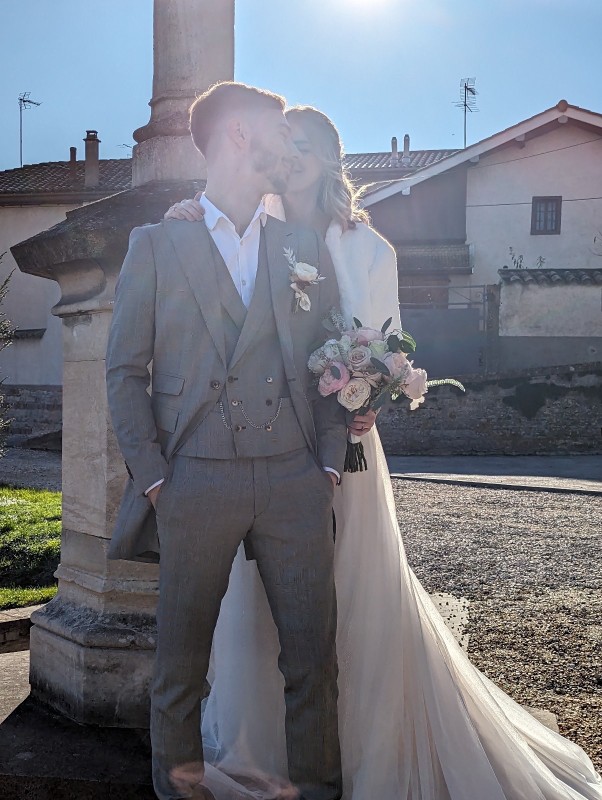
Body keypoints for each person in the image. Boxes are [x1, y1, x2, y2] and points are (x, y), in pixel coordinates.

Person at [164, 105, 602, 800]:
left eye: (310, 145)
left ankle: (359, 748)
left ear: (335, 157)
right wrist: (189, 209)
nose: (295, 154)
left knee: (350, 599)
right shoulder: (255, 226)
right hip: (262, 455)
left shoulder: (371, 250)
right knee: (256, 609)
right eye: (288, 144)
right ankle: (264, 748)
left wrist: (368, 395)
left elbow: (386, 345)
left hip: (346, 457)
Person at [106, 83, 349, 800]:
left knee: (314, 666)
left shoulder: (301, 245)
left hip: (295, 481)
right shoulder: (156, 242)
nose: (288, 145)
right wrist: (156, 480)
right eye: (277, 130)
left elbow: (331, 359)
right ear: (240, 135)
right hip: (194, 482)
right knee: (180, 672)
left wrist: (327, 465)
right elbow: (123, 372)